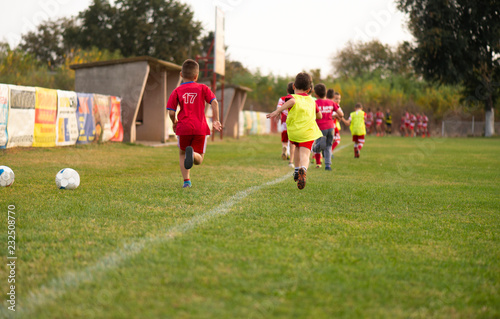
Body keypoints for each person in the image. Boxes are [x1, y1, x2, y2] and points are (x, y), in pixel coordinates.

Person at [167, 59, 222, 188]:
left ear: (181, 74)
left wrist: (174, 121)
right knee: (199, 159)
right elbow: (214, 102)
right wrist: (216, 120)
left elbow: (170, 111)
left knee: (182, 153)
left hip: (183, 127)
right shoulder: (203, 88)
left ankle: (186, 181)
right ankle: (193, 155)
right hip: (200, 127)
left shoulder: (177, 91)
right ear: (196, 76)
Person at [267, 72, 322, 190]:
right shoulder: (312, 101)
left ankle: (297, 170)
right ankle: (303, 169)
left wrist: (278, 111)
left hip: (294, 132)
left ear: (293, 87)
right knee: (305, 154)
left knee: (296, 148)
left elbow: (292, 101)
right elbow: (319, 116)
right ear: (309, 89)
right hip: (307, 132)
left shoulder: (292, 97)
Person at [312, 84, 343, 171]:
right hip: (331, 128)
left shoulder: (315, 103)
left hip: (321, 128)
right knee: (328, 146)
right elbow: (341, 114)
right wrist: (334, 115)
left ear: (316, 95)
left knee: (319, 145)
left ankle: (315, 156)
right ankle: (328, 166)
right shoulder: (331, 102)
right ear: (326, 92)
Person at [277, 82, 295, 167]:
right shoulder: (296, 99)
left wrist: (278, 115)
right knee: (292, 140)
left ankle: (285, 149)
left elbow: (279, 108)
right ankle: (290, 156)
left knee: (284, 138)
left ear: (287, 90)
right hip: (293, 121)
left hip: (284, 120)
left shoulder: (282, 98)